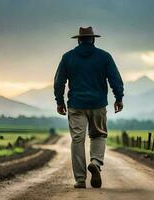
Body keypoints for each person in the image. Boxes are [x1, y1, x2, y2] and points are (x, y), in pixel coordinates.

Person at [54, 26, 124, 188]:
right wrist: (118, 98)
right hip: (98, 104)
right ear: (93, 39)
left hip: (76, 105)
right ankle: (96, 162)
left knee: (78, 140)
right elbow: (115, 79)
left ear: (79, 39)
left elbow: (59, 82)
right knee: (98, 135)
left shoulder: (68, 57)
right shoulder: (105, 57)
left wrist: (59, 102)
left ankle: (80, 180)